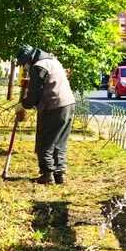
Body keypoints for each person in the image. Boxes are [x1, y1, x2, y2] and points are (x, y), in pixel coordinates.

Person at [15, 45, 76, 184]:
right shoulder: (53, 61)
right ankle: (59, 174)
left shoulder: (38, 67)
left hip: (53, 106)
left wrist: (23, 105)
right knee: (60, 141)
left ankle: (47, 175)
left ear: (29, 59)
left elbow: (33, 95)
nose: (24, 67)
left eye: (24, 63)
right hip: (69, 104)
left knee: (45, 141)